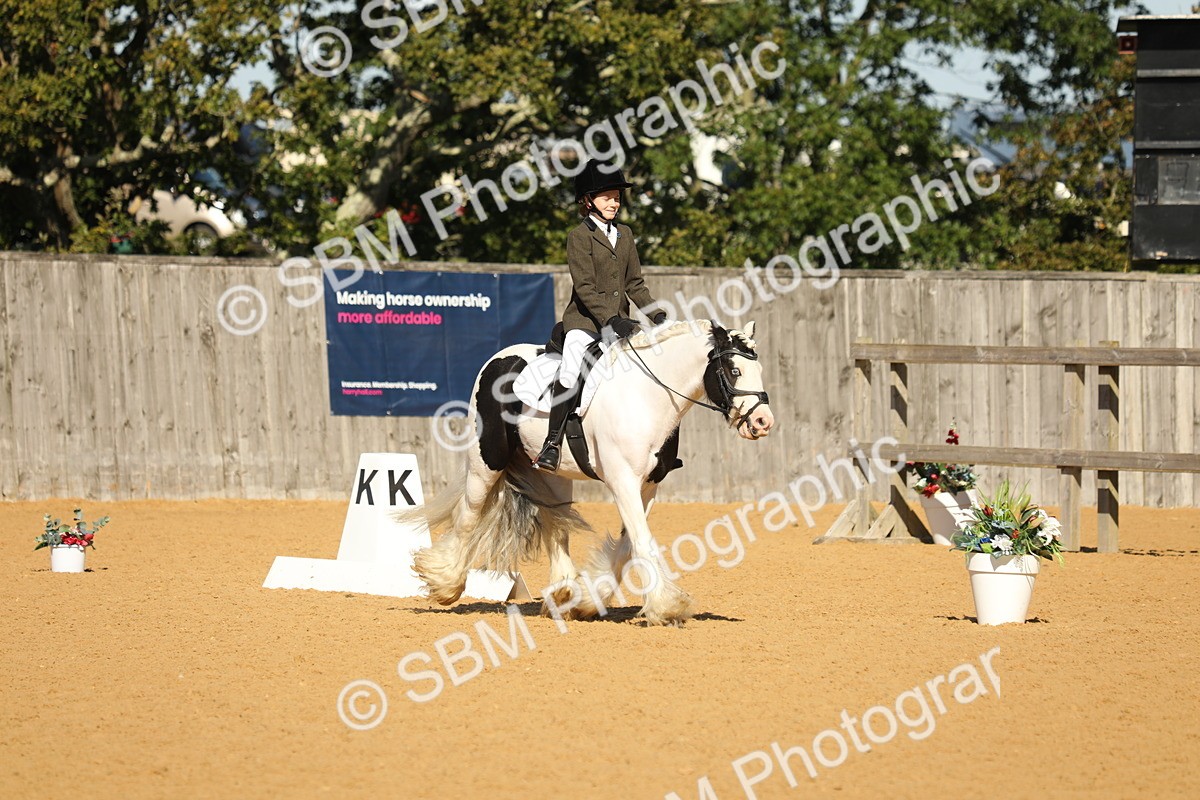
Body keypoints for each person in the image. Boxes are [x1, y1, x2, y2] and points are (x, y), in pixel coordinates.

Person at [533, 161, 667, 471]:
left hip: (620, 323)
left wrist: (657, 315)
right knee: (569, 371)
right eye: (607, 197)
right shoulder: (578, 237)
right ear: (588, 200)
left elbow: (635, 284)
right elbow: (585, 288)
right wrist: (611, 319)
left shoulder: (625, 234)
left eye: (617, 197)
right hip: (585, 324)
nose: (614, 203)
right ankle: (551, 444)